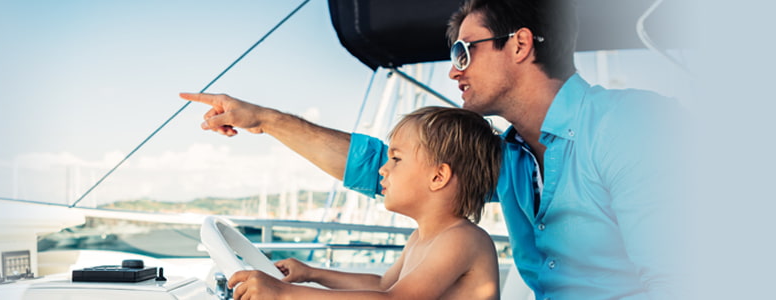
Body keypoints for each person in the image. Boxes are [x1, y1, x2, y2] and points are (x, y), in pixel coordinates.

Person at [183, 0, 697, 298]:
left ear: (518, 45)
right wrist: (265, 120)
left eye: (463, 52)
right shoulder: (510, 157)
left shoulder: (630, 127)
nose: (453, 70)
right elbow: (382, 168)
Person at [225, 107, 504, 300]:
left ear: (438, 176)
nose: (383, 169)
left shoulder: (462, 239)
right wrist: (311, 273)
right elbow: (382, 285)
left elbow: (395, 299)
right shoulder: (423, 237)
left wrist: (283, 294)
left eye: (395, 158)